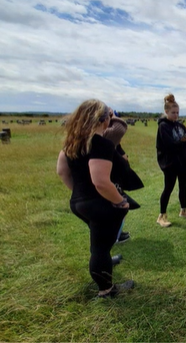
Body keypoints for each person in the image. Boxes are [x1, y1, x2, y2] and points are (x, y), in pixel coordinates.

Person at [56, 99, 134, 298]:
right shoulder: (101, 144)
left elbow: (62, 172)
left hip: (79, 202)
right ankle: (106, 290)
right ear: (103, 120)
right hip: (100, 203)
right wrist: (120, 201)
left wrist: (80, 194)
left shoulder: (73, 142)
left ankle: (105, 262)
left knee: (100, 242)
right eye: (108, 116)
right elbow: (100, 181)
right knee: (99, 248)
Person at [156, 94, 186, 227]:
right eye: (173, 112)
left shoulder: (180, 125)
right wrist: (183, 142)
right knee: (168, 188)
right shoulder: (163, 126)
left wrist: (183, 142)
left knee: (183, 187)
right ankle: (162, 215)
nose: (176, 115)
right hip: (170, 164)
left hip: (183, 162)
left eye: (177, 112)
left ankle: (183, 210)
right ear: (166, 112)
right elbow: (169, 146)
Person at [103, 111, 144, 245]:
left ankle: (116, 234)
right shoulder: (106, 137)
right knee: (119, 208)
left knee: (117, 208)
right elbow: (120, 128)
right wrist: (111, 115)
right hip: (111, 180)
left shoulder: (100, 139)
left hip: (113, 179)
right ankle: (114, 236)